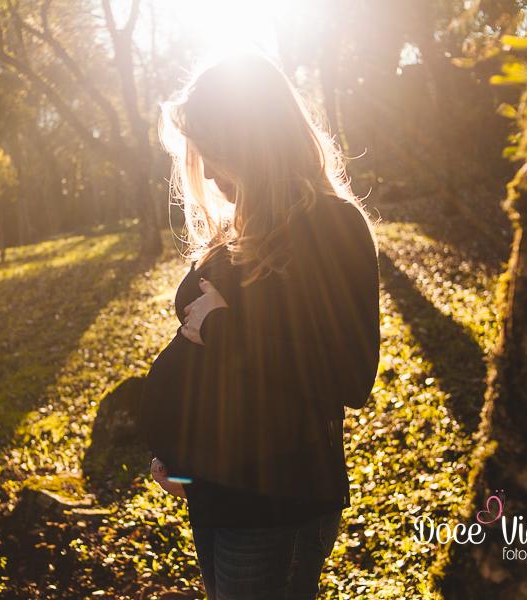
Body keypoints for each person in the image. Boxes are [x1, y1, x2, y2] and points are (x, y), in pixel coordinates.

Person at [139, 54, 380, 600]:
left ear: (255, 142)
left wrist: (225, 330)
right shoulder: (239, 230)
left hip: (278, 501)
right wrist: (182, 458)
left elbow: (351, 374)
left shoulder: (331, 226)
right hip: (218, 492)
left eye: (218, 154)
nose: (213, 173)